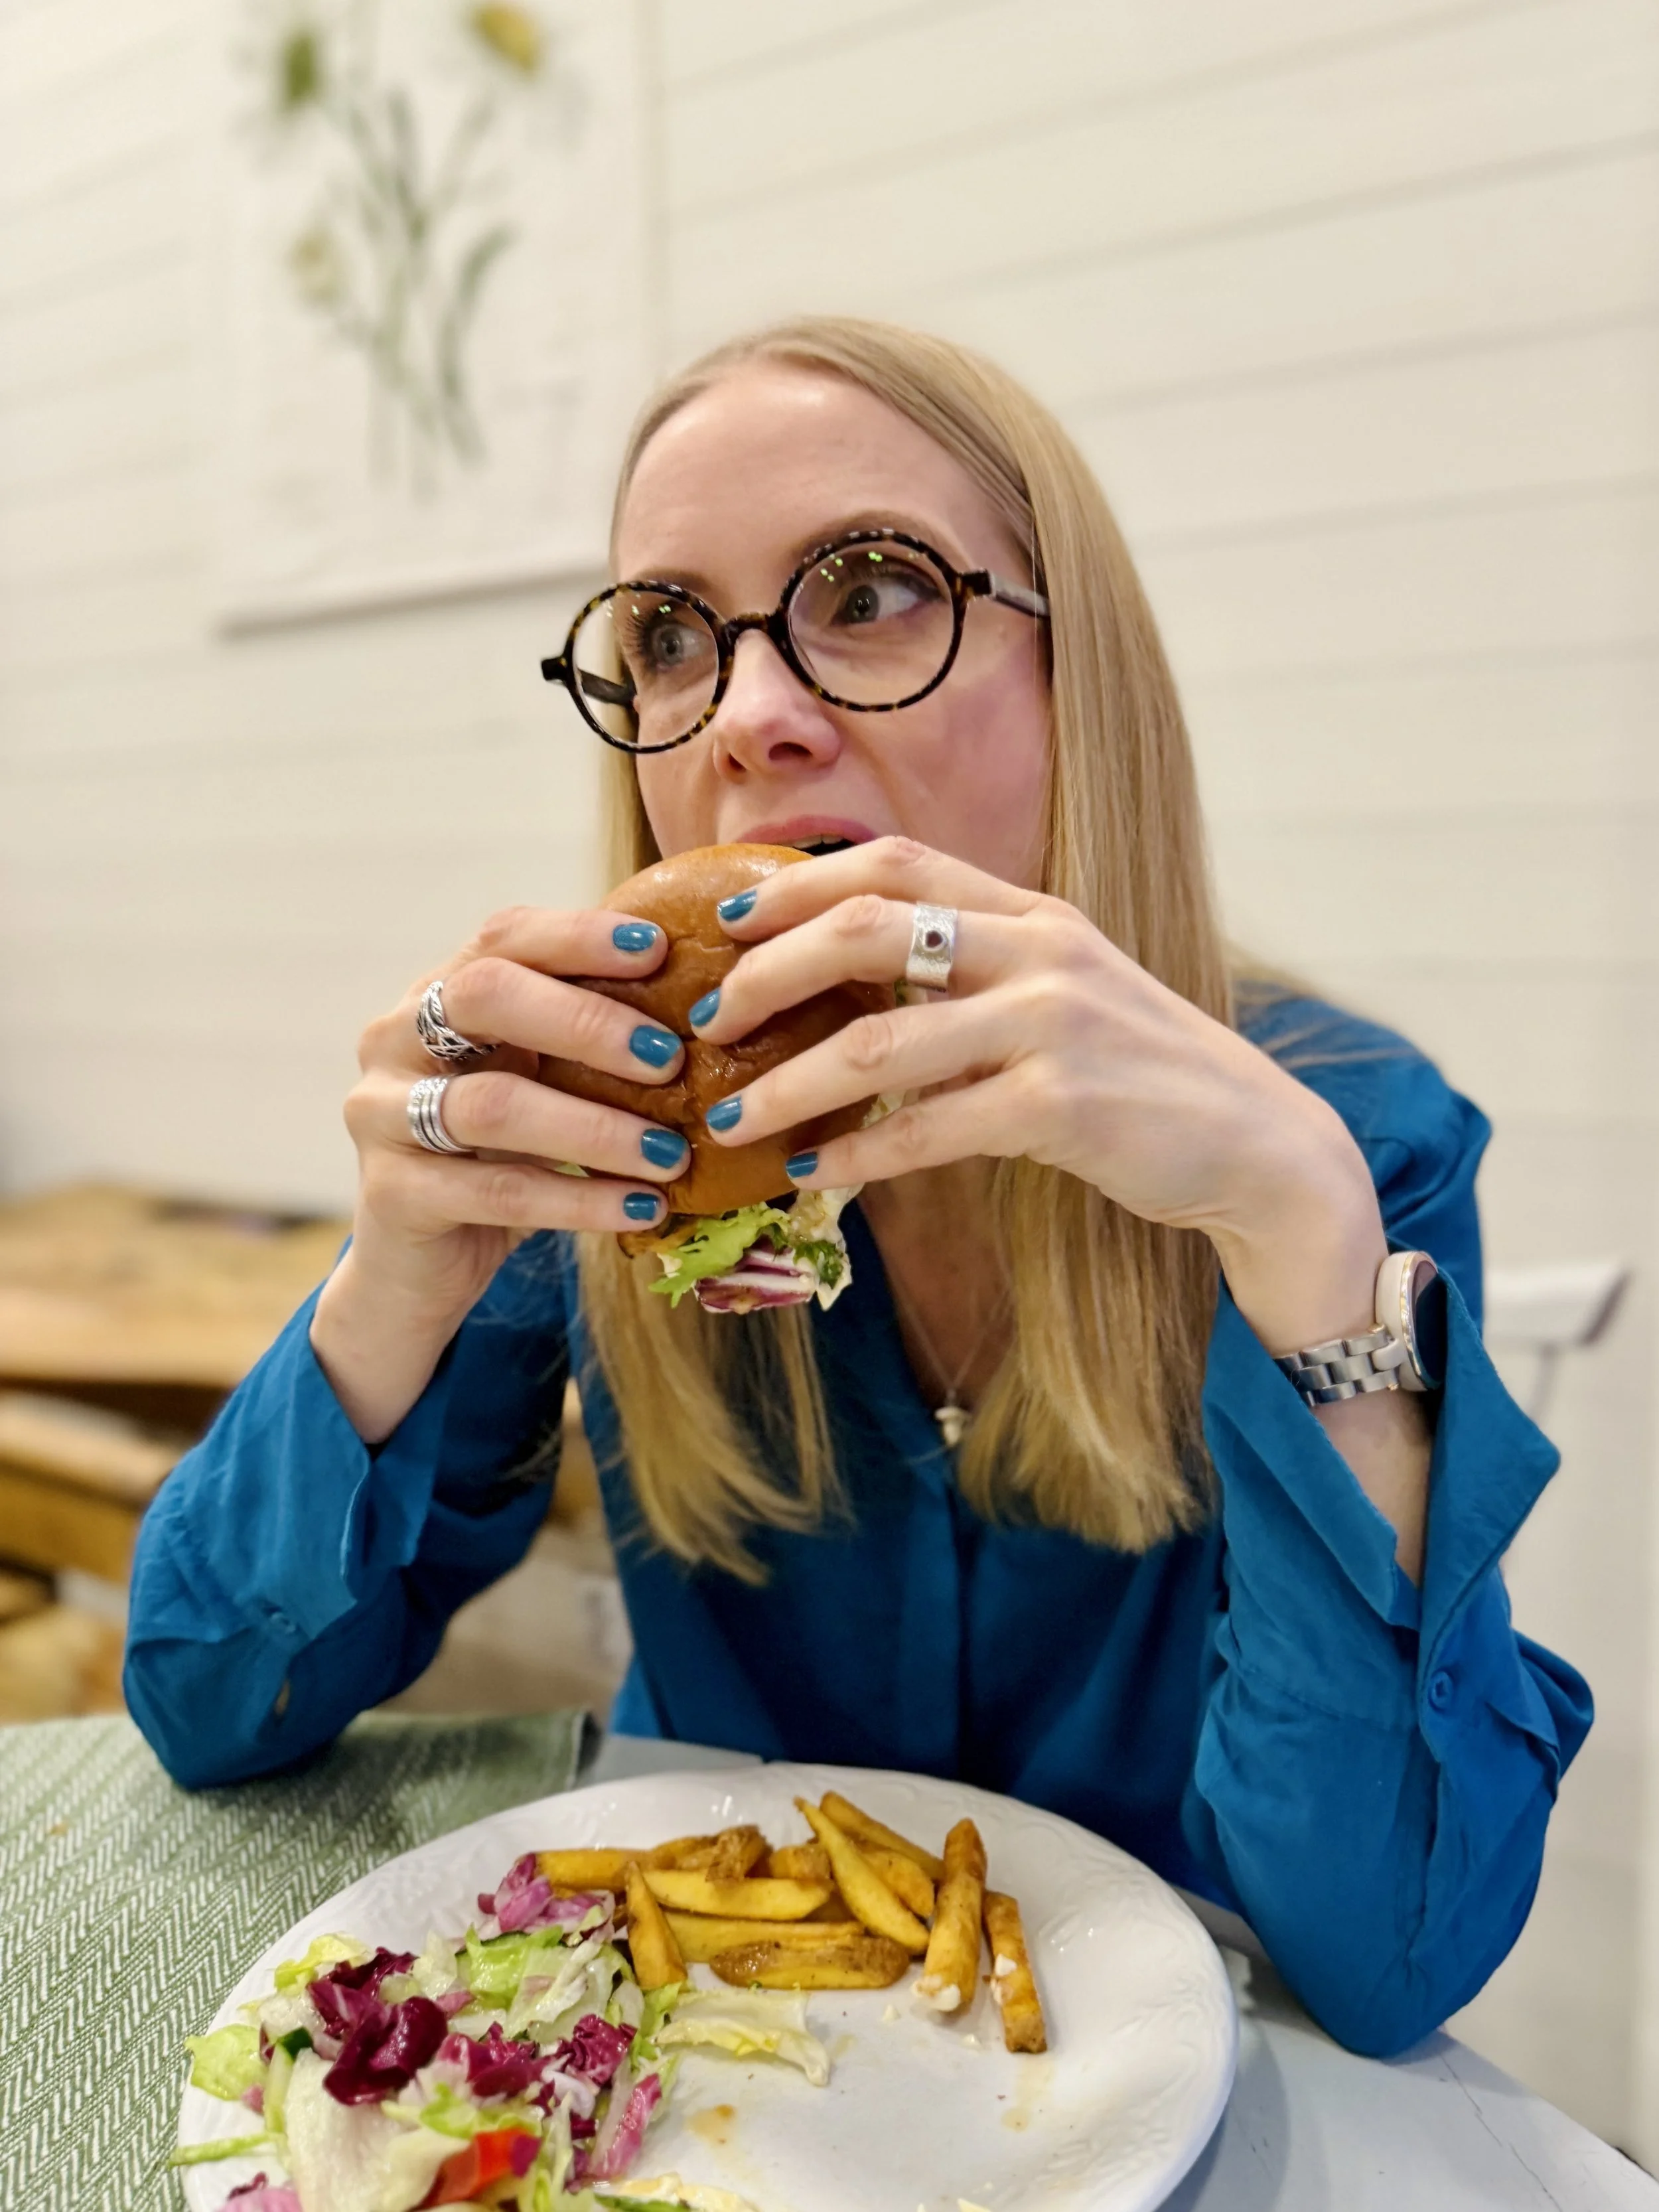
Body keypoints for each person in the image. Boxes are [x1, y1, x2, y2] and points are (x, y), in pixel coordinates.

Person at [125, 317, 1589, 2057]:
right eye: (669, 636)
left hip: (1143, 2081)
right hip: (701, 2075)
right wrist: (391, 1279)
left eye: (872, 589)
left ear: (1074, 677)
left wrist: (1305, 1243)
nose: (745, 721)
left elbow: (1384, 1956)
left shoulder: (1344, 1139)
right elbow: (215, 1700)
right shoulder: (618, 1131)